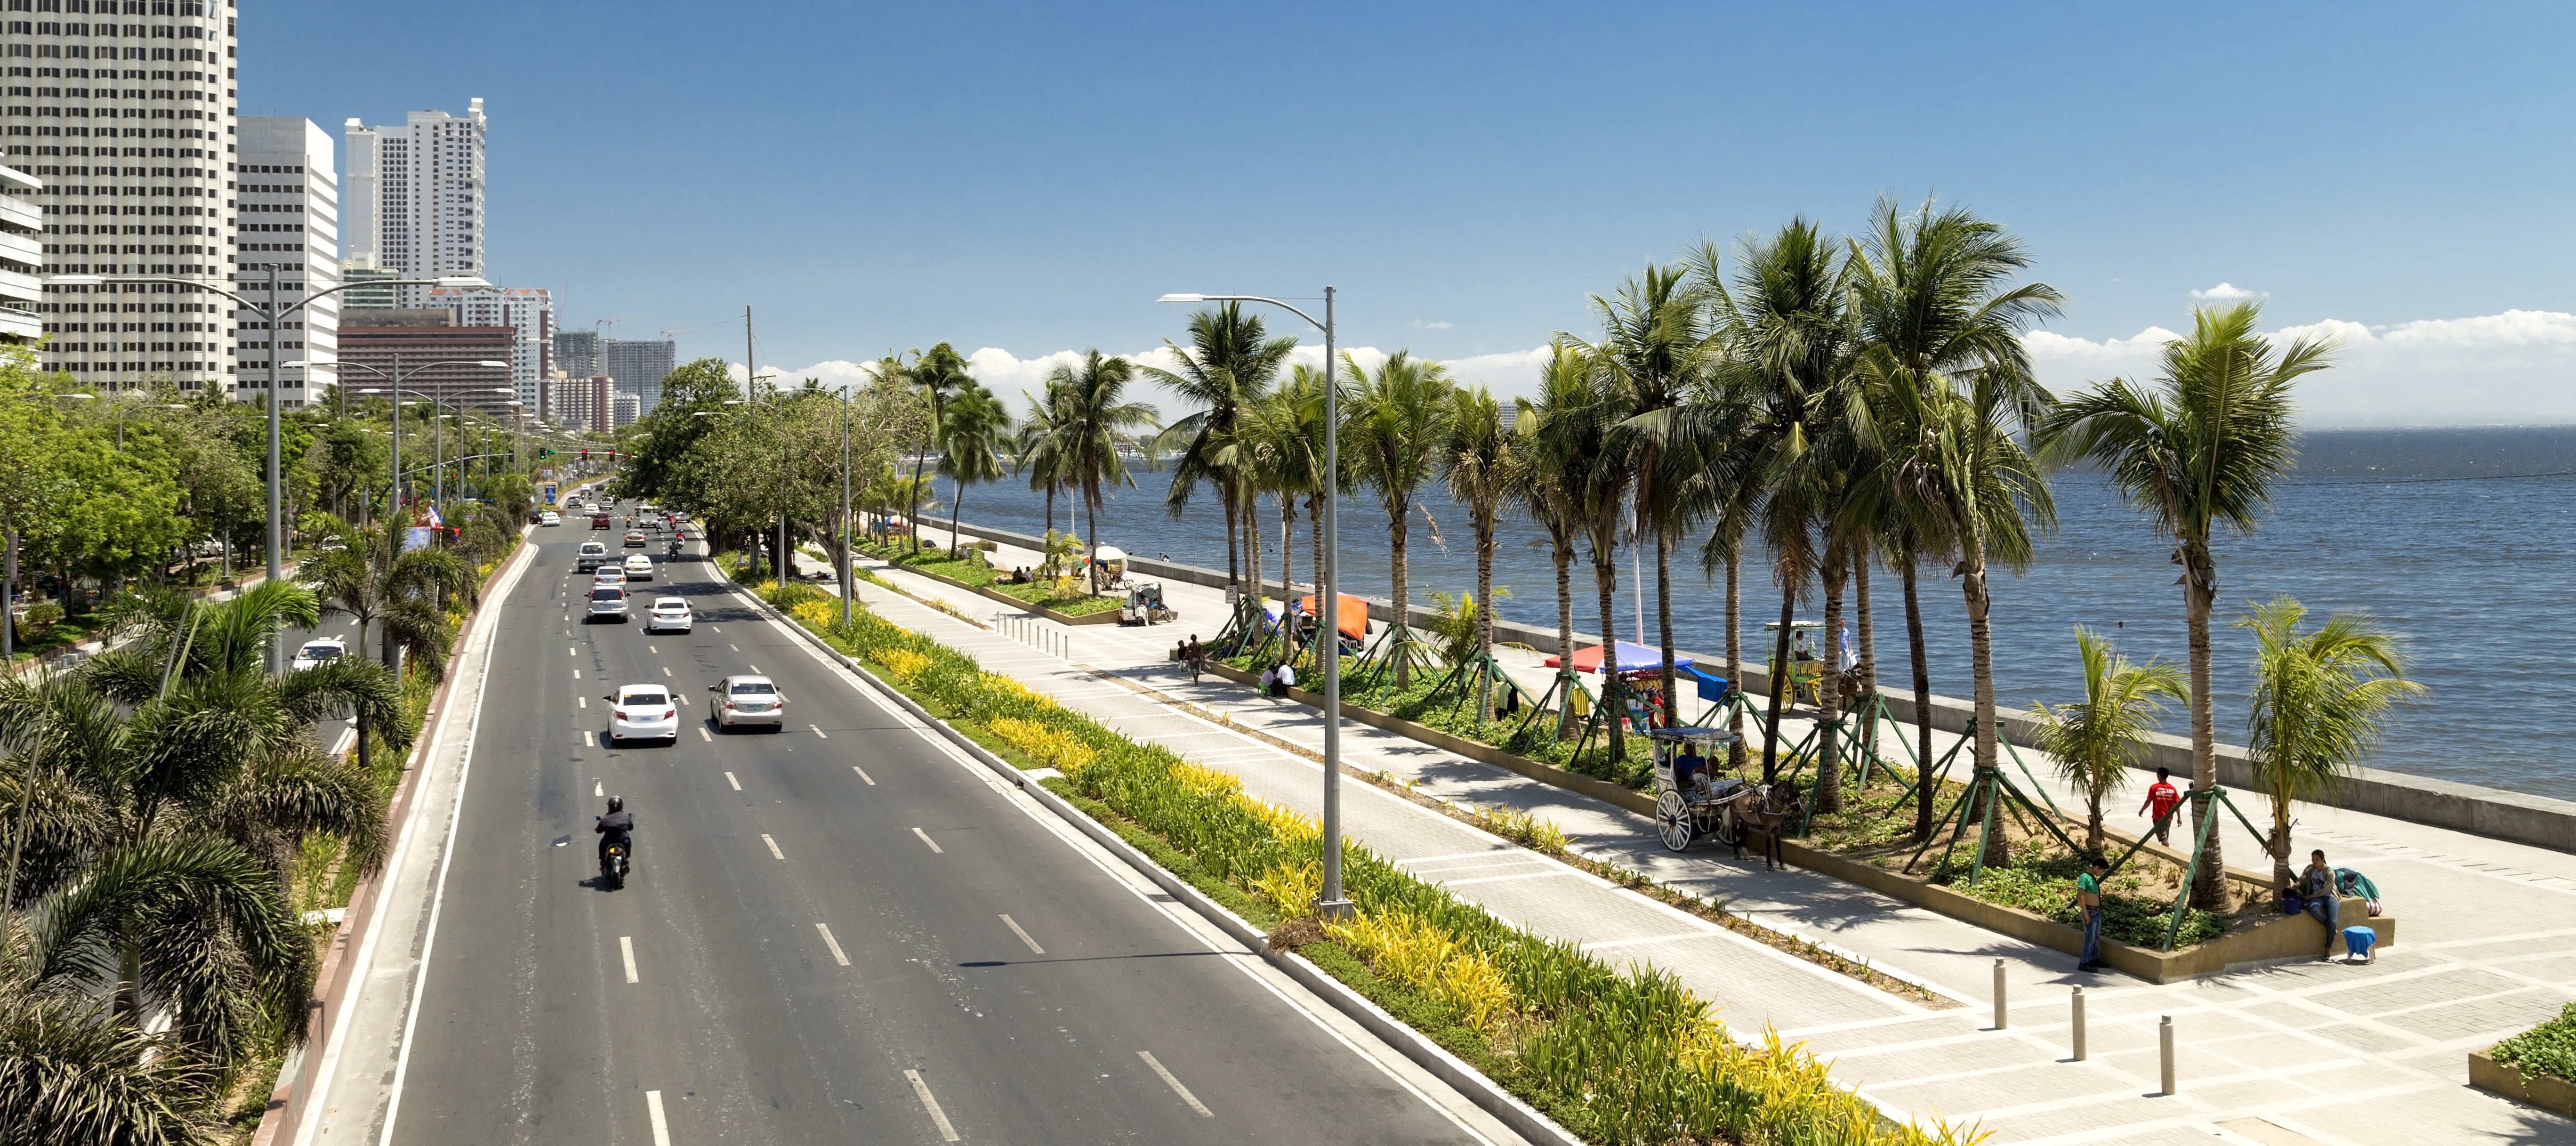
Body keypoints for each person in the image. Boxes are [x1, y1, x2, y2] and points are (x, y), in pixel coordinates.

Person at [2298, 849, 2341, 959]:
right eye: (2313, 859)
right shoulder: (2311, 869)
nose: (2314, 861)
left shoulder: (2329, 872)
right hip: (2317, 898)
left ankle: (2328, 948)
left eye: (2317, 859)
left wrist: (2311, 896)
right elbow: (2302, 878)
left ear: (2323, 860)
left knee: (2333, 921)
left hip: (2330, 896)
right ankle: (2330, 927)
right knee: (2313, 909)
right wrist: (2294, 887)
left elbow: (2326, 890)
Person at [2076, 855, 2109, 972]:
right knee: (2090, 938)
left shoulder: (2092, 878)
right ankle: (2084, 962)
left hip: (2097, 912)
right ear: (2096, 867)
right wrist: (2086, 914)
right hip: (2090, 912)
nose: (2102, 873)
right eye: (2102, 870)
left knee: (2096, 937)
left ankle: (2093, 958)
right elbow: (2080, 896)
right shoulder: (2085, 878)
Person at [2137, 767, 2182, 846]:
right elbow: (2177, 804)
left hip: (2158, 818)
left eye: (2157, 774)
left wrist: (2142, 810)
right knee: (2165, 837)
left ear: (2159, 775)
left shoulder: (2154, 788)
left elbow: (2148, 801)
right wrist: (2179, 817)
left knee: (2164, 839)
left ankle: (2167, 854)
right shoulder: (2172, 789)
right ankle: (2165, 853)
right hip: (2168, 819)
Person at [595, 794, 635, 872]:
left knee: (602, 845)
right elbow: (631, 828)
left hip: (609, 842)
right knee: (628, 841)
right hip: (624, 841)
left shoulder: (605, 819)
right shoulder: (626, 817)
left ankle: (603, 861)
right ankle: (626, 857)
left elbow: (599, 831)